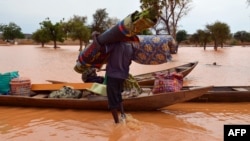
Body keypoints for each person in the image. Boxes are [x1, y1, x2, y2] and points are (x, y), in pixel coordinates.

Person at [105, 41, 134, 124]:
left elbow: (101, 50)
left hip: (113, 75)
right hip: (123, 76)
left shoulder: (113, 44)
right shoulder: (130, 46)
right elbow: (129, 62)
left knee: (112, 101)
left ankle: (117, 123)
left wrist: (94, 37)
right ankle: (123, 115)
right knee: (118, 95)